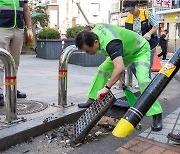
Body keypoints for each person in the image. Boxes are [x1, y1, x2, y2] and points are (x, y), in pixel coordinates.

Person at [75, 23, 163, 131]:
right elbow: (99, 25)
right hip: (124, 52)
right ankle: (92, 99)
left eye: (88, 50)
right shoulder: (94, 31)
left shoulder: (111, 43)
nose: (87, 53)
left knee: (143, 80)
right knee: (102, 69)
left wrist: (106, 88)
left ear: (96, 42)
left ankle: (157, 114)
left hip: (139, 50)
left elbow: (119, 68)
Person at [0, 0, 33, 106]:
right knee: (0, 63)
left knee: (15, 63)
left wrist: (29, 28)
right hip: (2, 28)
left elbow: (26, 10)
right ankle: (0, 93)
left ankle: (12, 88)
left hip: (18, 29)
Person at [123, 0, 159, 78]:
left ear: (137, 6)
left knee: (146, 67)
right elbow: (128, 34)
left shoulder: (146, 14)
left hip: (149, 45)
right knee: (132, 66)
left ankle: (147, 86)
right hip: (136, 46)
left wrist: (149, 33)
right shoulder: (128, 19)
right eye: (128, 10)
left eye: (132, 9)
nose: (131, 11)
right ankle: (142, 81)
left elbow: (156, 25)